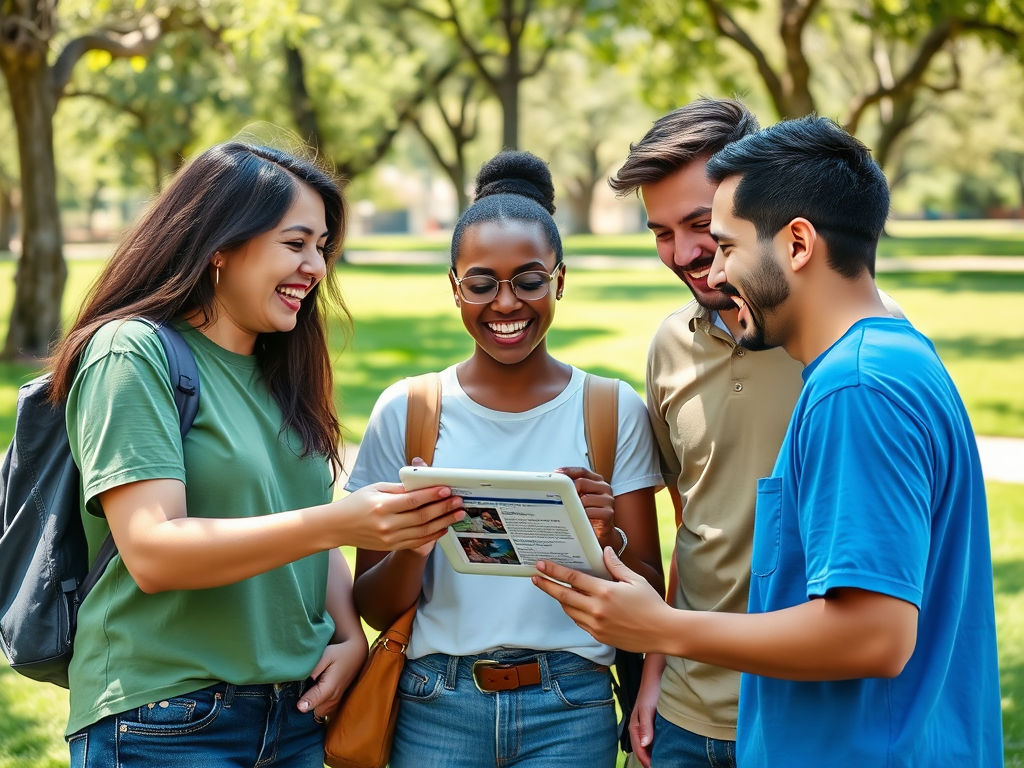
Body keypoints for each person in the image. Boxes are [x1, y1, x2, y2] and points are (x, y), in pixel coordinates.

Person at [535, 117, 1003, 767]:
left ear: (798, 244)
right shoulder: (883, 363)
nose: (709, 267)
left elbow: (875, 634)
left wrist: (658, 627)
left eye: (724, 242)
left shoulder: (855, 387)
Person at [51, 141, 466, 767]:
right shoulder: (130, 354)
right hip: (164, 720)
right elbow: (154, 552)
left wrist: (349, 636)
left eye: (322, 247)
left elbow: (299, 516)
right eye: (296, 244)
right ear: (220, 245)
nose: (318, 267)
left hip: (293, 716)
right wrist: (341, 523)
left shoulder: (280, 367)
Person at [606, 98, 904, 768]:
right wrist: (656, 669)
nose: (683, 254)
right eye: (660, 232)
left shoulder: (848, 356)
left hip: (807, 713)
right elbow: (695, 523)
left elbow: (881, 604)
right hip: (686, 708)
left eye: (702, 225)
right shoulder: (668, 347)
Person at [348, 150, 665, 768]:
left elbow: (650, 593)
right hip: (435, 702)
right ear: (454, 287)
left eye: (528, 280)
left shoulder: (609, 409)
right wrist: (416, 540)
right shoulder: (409, 410)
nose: (506, 304)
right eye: (481, 283)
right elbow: (374, 606)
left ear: (560, 280)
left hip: (568, 707)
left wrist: (605, 541)